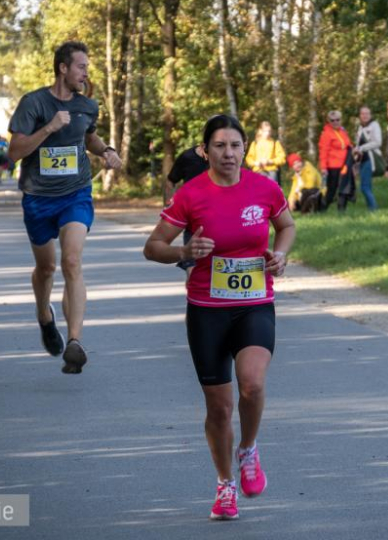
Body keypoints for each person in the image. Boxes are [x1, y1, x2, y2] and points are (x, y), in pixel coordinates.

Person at [143, 114, 296, 521]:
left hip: (254, 303)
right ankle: (225, 483)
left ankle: (248, 448)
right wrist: (184, 252)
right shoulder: (191, 194)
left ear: (245, 149)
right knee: (219, 409)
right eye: (220, 145)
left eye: (235, 145)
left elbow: (286, 226)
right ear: (205, 150)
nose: (228, 153)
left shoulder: (265, 188)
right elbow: (152, 247)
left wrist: (281, 255)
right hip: (207, 311)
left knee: (252, 383)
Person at [8, 40, 122, 375]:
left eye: (87, 67)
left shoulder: (87, 106)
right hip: (38, 197)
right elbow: (14, 152)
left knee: (72, 261)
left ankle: (75, 341)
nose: (86, 73)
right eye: (81, 67)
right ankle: (44, 315)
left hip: (76, 194)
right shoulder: (33, 103)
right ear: (63, 68)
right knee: (46, 268)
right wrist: (49, 128)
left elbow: (89, 137)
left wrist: (106, 150)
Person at [164, 143, 209, 278]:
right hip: (192, 217)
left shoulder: (224, 159)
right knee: (192, 268)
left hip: (217, 217)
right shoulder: (187, 157)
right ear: (203, 146)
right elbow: (170, 181)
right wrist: (169, 201)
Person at [318, 110, 351, 209]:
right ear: (329, 121)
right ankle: (322, 209)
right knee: (331, 189)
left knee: (344, 187)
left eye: (337, 119)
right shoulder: (326, 134)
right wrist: (323, 167)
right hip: (333, 166)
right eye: (332, 120)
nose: (335, 122)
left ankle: (342, 210)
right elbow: (323, 151)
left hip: (345, 165)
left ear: (341, 120)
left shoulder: (343, 131)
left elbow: (348, 144)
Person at [353, 106, 382, 211]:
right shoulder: (360, 128)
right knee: (367, 186)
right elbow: (358, 144)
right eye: (362, 113)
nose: (365, 116)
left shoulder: (375, 125)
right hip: (362, 160)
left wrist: (361, 148)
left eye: (367, 113)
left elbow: (378, 142)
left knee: (364, 187)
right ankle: (371, 208)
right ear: (360, 116)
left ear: (370, 115)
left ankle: (373, 208)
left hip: (370, 159)